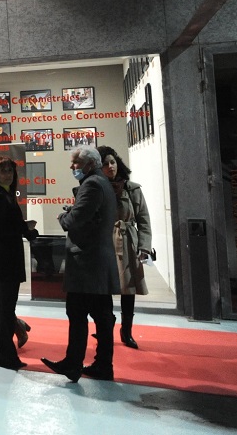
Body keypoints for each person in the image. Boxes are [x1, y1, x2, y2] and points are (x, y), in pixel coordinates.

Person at [42, 146, 120, 383]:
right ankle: (100, 364)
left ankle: (73, 363)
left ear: (89, 164)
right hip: (96, 260)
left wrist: (63, 217)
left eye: (75, 163)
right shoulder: (103, 182)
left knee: (78, 314)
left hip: (88, 262)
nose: (72, 167)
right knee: (102, 316)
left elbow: (76, 219)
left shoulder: (93, 184)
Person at [0, 156, 39, 370]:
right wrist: (26, 231)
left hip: (1, 256)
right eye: (3, 171)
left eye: (10, 171)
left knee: (0, 307)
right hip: (3, 258)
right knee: (6, 308)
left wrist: (24, 229)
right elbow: (2, 230)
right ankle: (5, 355)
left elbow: (5, 225)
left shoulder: (3, 195)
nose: (7, 174)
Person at [98, 146, 152, 349]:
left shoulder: (132, 188)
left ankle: (126, 331)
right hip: (104, 240)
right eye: (105, 163)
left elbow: (144, 220)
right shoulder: (96, 188)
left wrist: (144, 246)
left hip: (127, 241)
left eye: (112, 162)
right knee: (104, 289)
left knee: (128, 289)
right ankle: (105, 329)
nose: (110, 166)